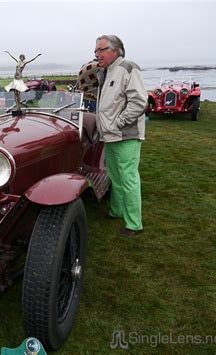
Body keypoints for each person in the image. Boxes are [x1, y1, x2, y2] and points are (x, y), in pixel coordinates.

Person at [94, 35, 147, 237]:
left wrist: (119, 122)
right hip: (109, 135)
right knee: (114, 176)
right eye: (96, 51)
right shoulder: (104, 71)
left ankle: (134, 224)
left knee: (128, 177)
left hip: (125, 135)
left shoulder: (128, 68)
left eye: (101, 50)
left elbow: (139, 102)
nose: (97, 54)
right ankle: (117, 211)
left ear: (115, 50)